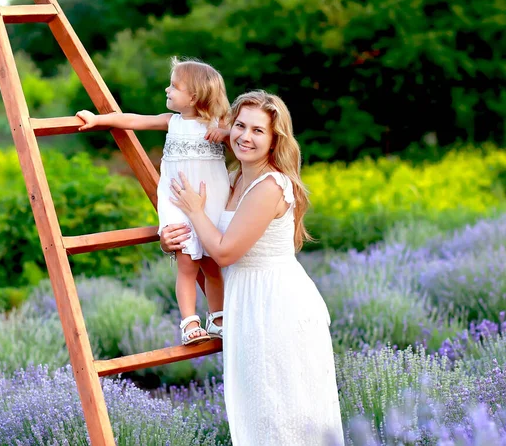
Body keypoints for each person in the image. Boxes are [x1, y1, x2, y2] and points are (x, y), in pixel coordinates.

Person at [162, 90, 345, 445]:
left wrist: (196, 210)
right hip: (245, 303)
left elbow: (226, 252)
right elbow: (206, 244)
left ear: (275, 139)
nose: (245, 136)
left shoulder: (271, 185)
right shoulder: (232, 179)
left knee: (284, 413)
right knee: (256, 412)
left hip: (276, 306)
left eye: (258, 130)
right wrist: (171, 240)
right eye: (240, 126)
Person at [76, 58, 230, 345]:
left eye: (174, 86)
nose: (167, 90)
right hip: (179, 202)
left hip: (211, 205)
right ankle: (189, 323)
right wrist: (98, 119)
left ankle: (217, 319)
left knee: (212, 267)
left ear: (194, 96)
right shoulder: (172, 121)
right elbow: (133, 120)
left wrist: (226, 133)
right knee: (187, 264)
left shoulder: (218, 125)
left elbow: (245, 137)